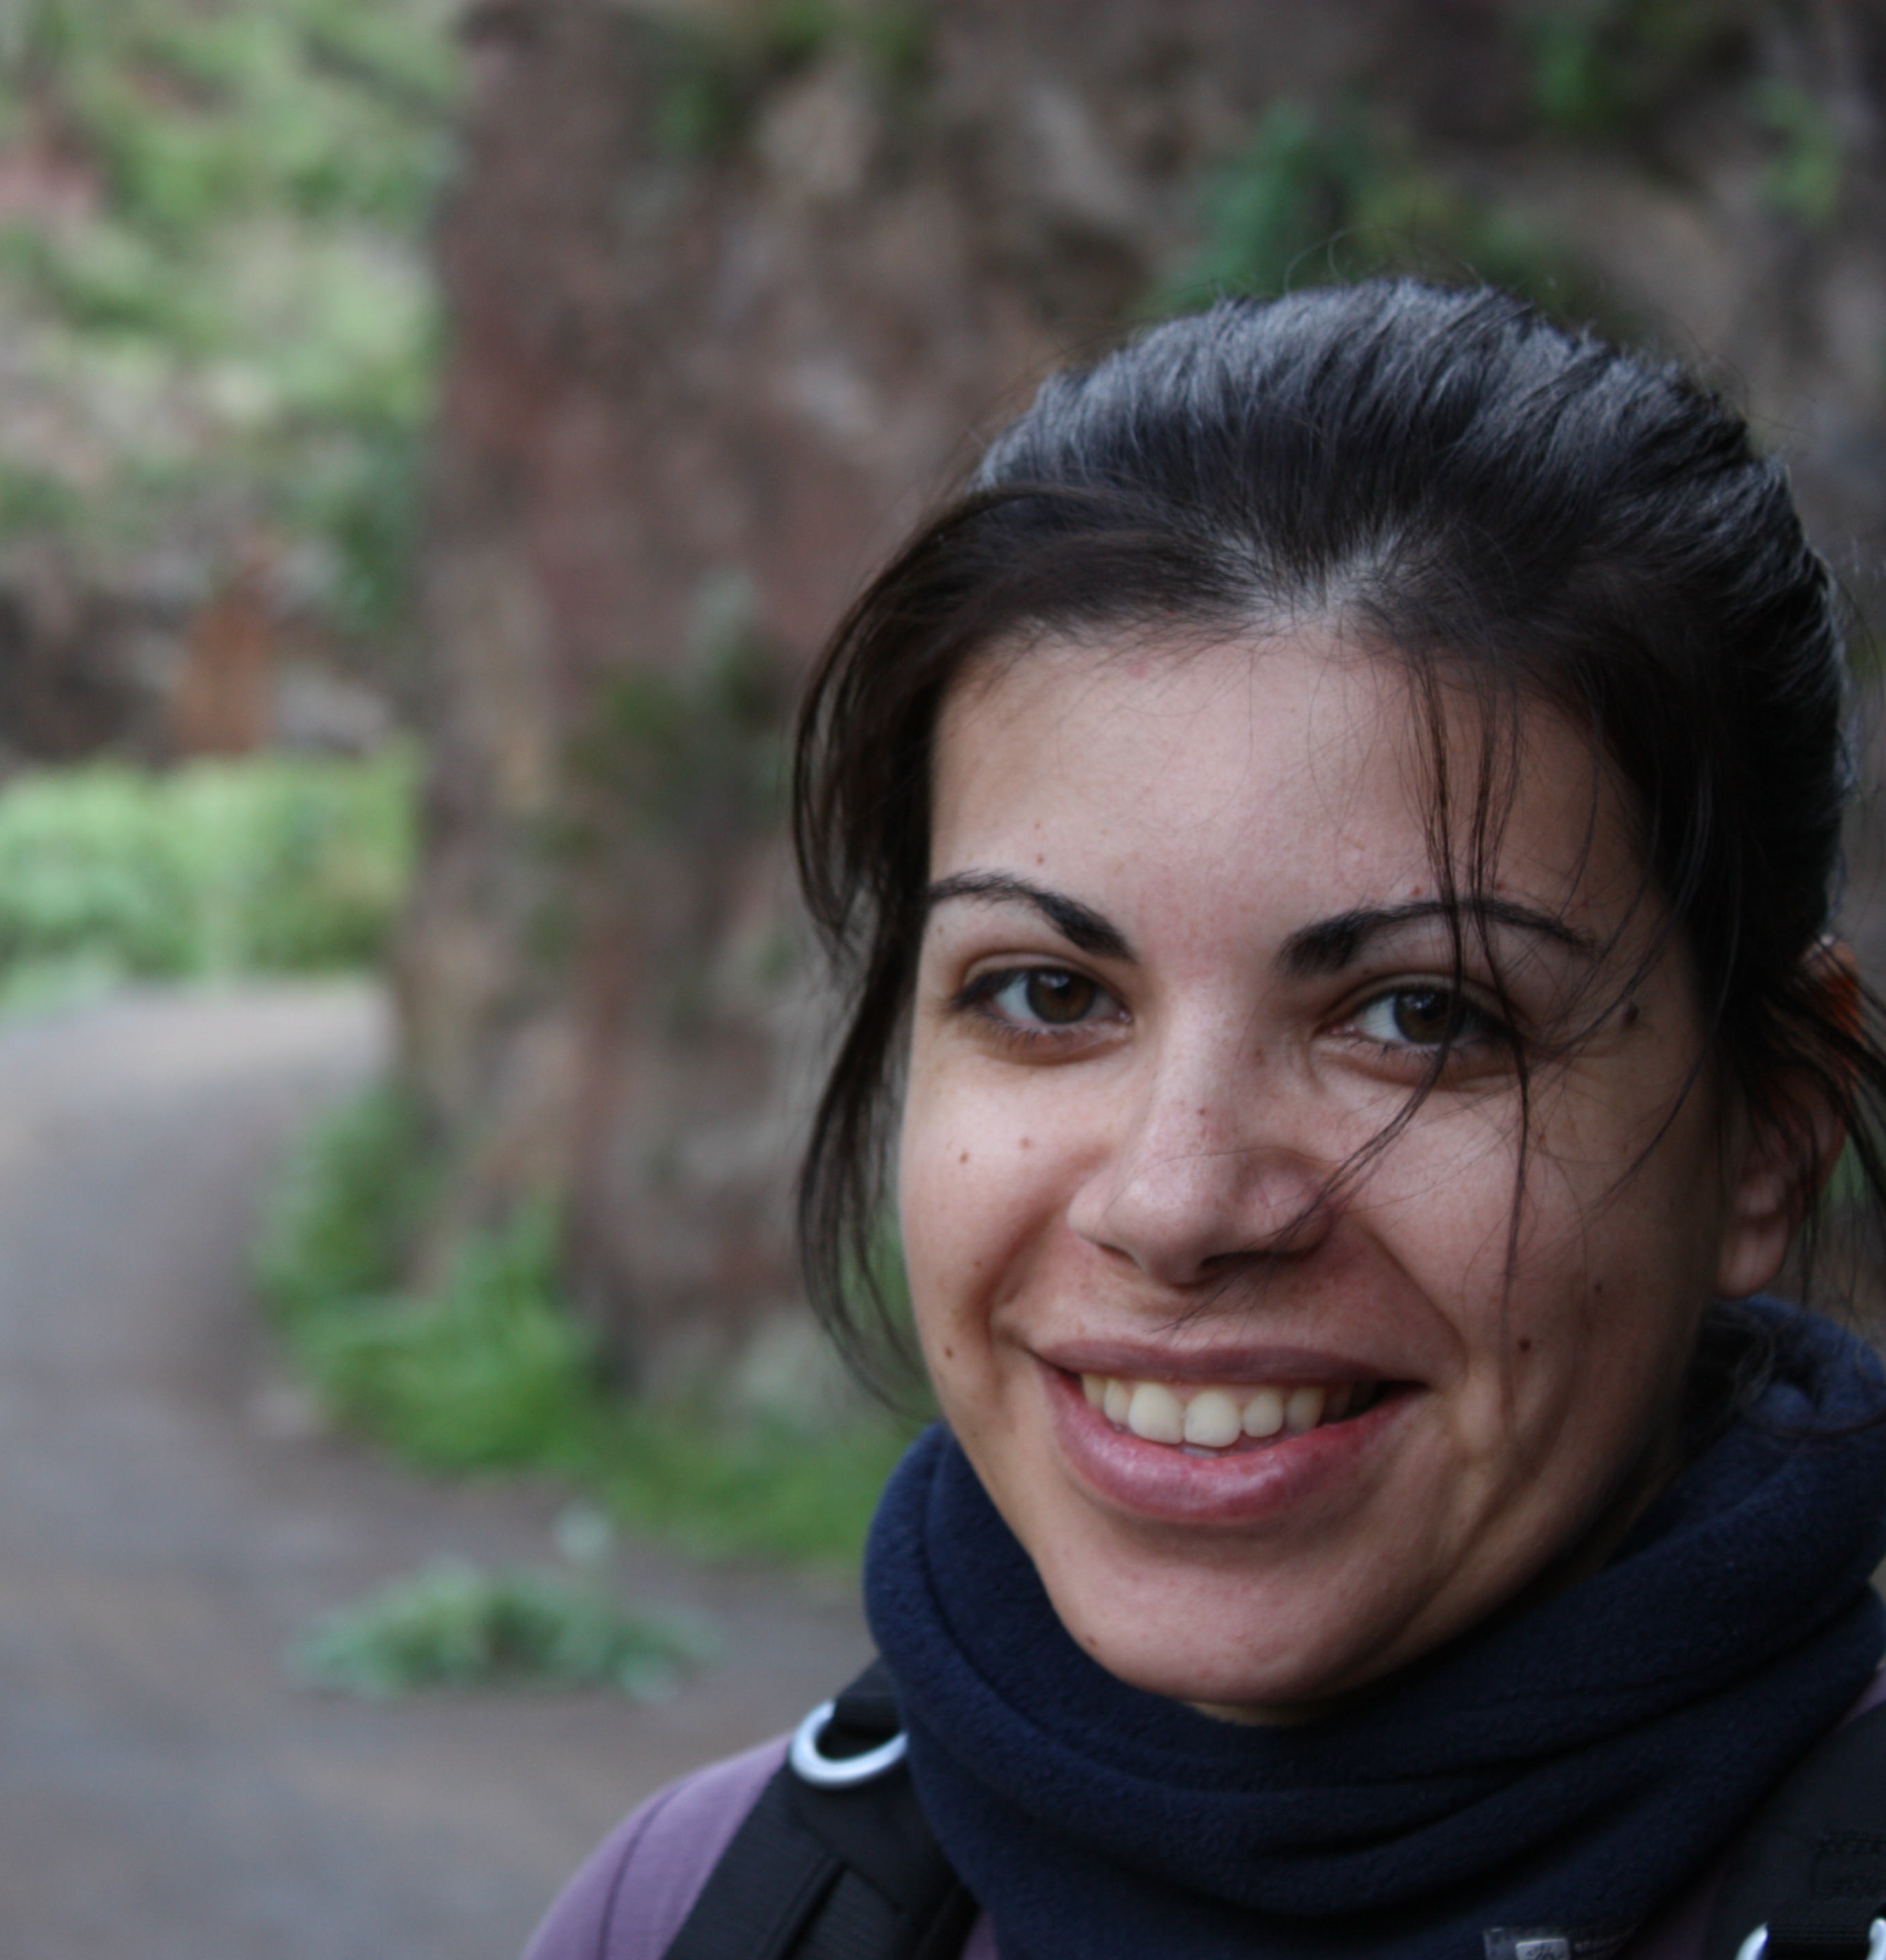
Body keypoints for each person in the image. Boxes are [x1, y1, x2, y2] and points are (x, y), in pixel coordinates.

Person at [523, 280, 1886, 1960]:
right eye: (1046, 992)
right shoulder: (695, 1907)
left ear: (1769, 1127)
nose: (1177, 1203)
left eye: (1420, 1014)